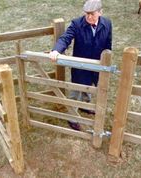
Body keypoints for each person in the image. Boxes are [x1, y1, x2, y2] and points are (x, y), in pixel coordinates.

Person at [49, 0, 112, 130]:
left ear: (100, 12)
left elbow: (108, 44)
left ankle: (85, 106)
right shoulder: (77, 24)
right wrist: (56, 50)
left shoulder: (107, 23)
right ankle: (72, 118)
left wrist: (107, 60)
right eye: (86, 14)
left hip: (97, 66)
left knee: (90, 87)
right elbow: (65, 38)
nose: (89, 17)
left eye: (92, 14)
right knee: (77, 90)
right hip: (81, 66)